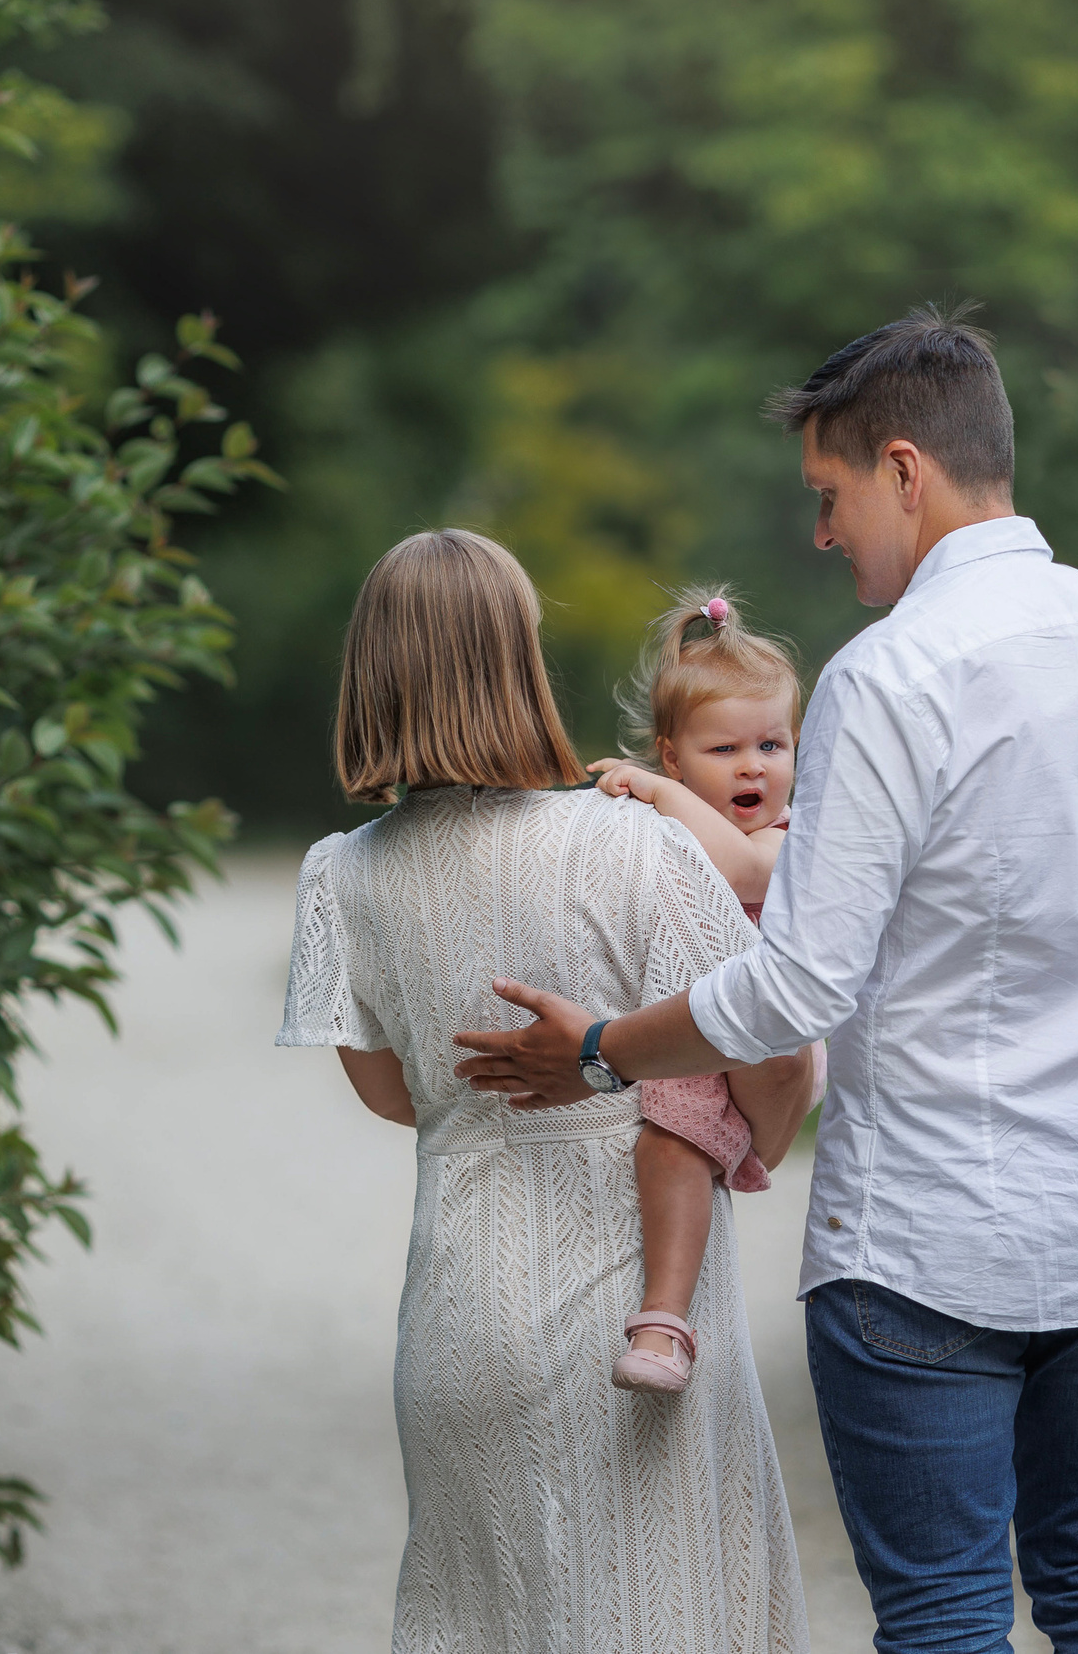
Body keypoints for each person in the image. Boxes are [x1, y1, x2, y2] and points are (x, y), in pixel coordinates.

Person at [453, 307, 1078, 1654]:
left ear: (907, 469)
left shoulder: (892, 675)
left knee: (944, 1615)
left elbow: (796, 983)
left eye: (830, 496)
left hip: (930, 1242)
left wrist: (599, 1051)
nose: (823, 534)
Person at [275, 528, 819, 1654]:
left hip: (458, 1311)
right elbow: (775, 1058)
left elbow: (394, 1093)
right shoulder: (641, 847)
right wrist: (734, 1134)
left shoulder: (341, 875)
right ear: (520, 657)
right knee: (665, 1612)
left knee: (490, 1618)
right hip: (638, 1306)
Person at [582, 588, 805, 1394]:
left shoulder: (793, 842)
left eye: (773, 744)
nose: (755, 765)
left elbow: (737, 871)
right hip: (701, 1029)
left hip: (773, 1033)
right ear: (675, 752)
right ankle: (665, 1314)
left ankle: (664, 1320)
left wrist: (659, 794)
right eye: (726, 750)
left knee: (671, 1134)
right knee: (664, 1135)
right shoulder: (658, 829)